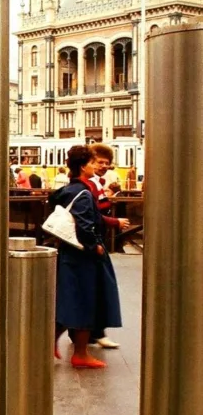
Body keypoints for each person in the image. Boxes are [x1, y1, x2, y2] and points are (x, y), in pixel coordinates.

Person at [51, 145, 123, 369]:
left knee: (71, 300)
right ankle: (80, 353)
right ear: (83, 166)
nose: (97, 166)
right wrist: (95, 247)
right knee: (85, 300)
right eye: (93, 163)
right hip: (83, 257)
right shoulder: (83, 192)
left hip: (70, 253)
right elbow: (85, 223)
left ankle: (50, 341)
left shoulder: (70, 189)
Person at [86, 143, 130, 348]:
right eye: (99, 162)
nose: (103, 166)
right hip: (93, 242)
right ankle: (94, 333)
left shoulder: (96, 182)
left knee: (93, 287)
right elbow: (94, 214)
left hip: (94, 241)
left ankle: (92, 333)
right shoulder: (89, 185)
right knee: (99, 286)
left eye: (106, 163)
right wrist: (115, 222)